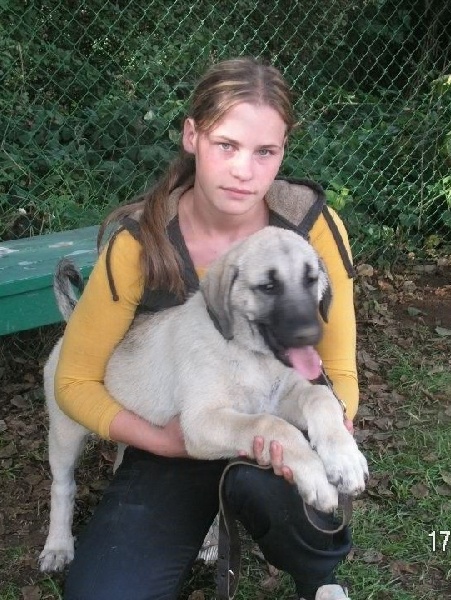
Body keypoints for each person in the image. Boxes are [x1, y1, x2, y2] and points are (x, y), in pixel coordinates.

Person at [54, 56, 360, 600]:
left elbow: (334, 368)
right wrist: (161, 441)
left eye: (265, 151)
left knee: (301, 447)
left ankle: (318, 578)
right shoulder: (139, 242)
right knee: (104, 593)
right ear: (192, 136)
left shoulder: (308, 223)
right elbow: (73, 381)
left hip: (271, 421)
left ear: (283, 151)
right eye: (226, 145)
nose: (245, 170)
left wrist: (332, 425)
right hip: (175, 438)